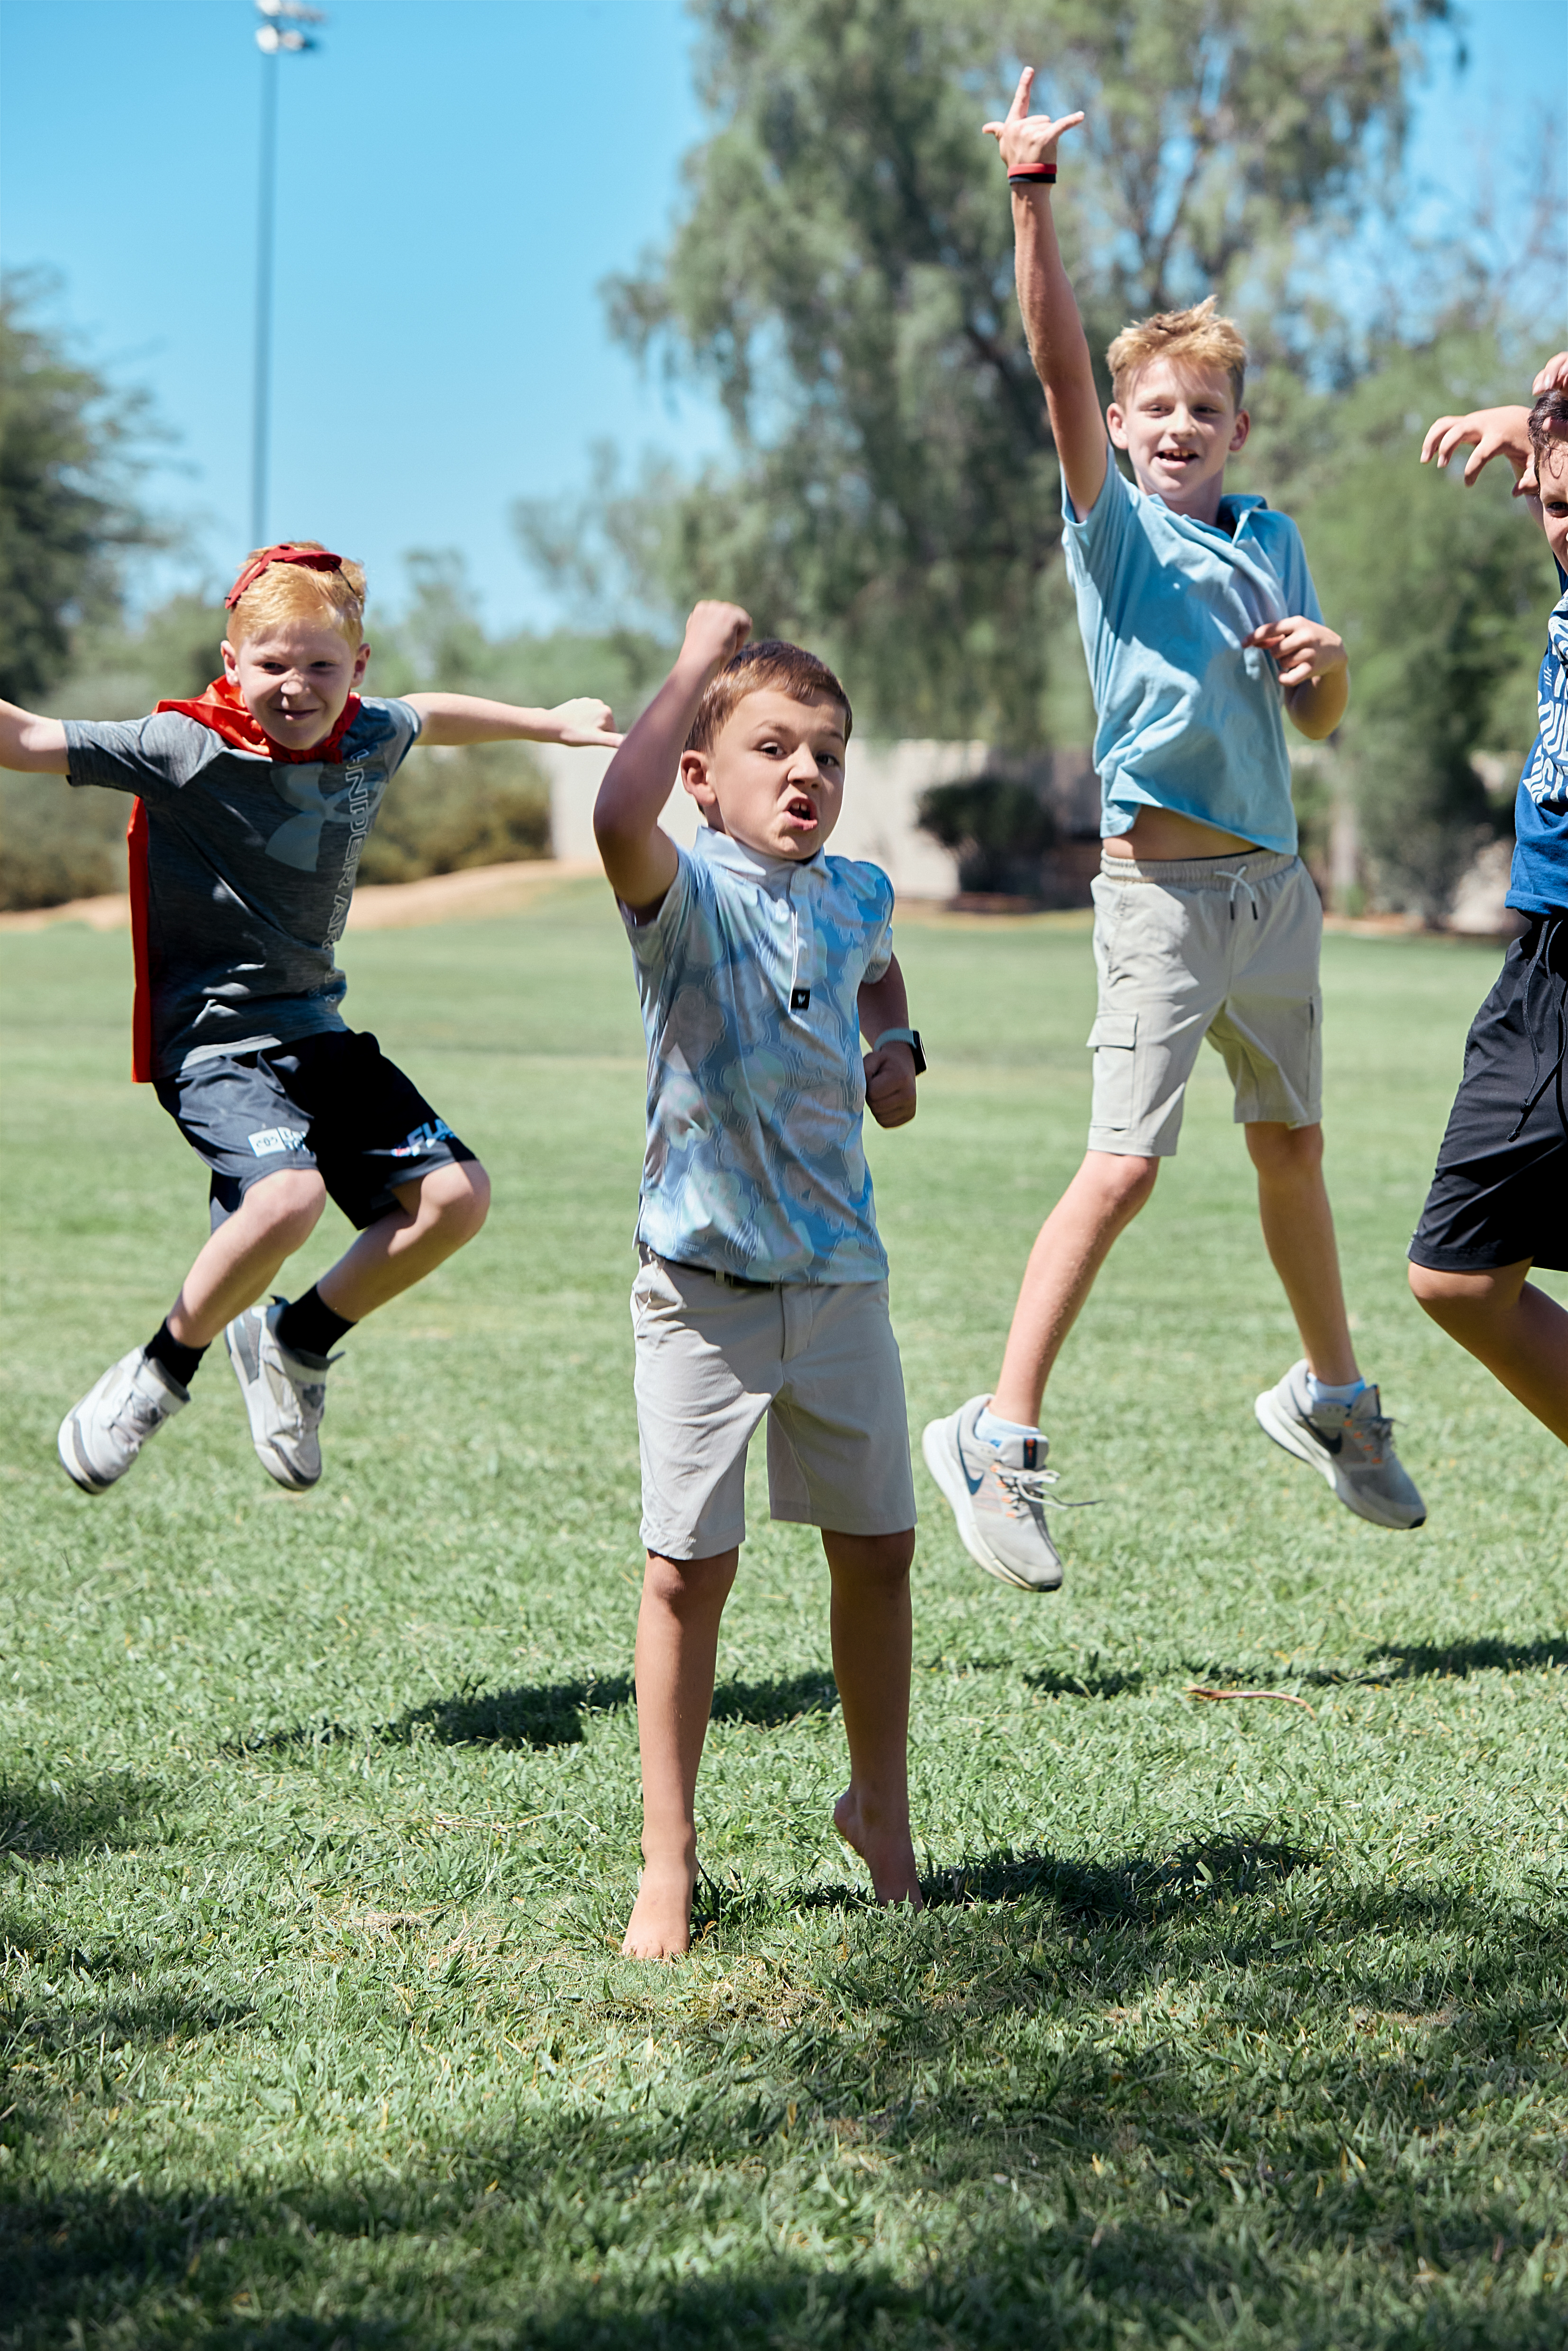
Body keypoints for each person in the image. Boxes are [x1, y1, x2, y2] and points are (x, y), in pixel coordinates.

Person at [922, 67, 1425, 1597]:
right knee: (1125, 1166)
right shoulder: (1113, 526)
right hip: (1158, 895)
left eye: (1208, 408)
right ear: (1124, 435)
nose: (1182, 427)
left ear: (1239, 424)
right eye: (1158, 410)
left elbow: (1320, 730)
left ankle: (1330, 1399)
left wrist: (1323, 669)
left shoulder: (1268, 535)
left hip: (1275, 892)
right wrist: (1032, 200)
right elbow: (1057, 365)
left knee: (1295, 1149)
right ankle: (997, 1438)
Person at [0, 540, 620, 1496]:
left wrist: (548, 723)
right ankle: (159, 1372)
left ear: (357, 670)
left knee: (456, 1199)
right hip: (213, 1043)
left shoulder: (368, 734)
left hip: (314, 1031)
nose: (297, 686)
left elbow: (433, 716)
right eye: (272, 665)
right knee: (286, 1200)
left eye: (321, 666)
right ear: (231, 660)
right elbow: (31, 740)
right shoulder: (183, 750)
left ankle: (297, 1340)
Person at [592, 599, 924, 1959]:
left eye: (829, 754)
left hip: (839, 1277)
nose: (805, 775)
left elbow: (880, 971)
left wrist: (899, 1046)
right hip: (702, 1293)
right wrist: (686, 667)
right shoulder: (681, 893)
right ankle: (668, 1857)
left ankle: (881, 1815)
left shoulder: (858, 890)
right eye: (773, 748)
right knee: (688, 1570)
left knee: (881, 1553)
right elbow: (611, 819)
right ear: (702, 777)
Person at [1406, 355, 1568, 1444]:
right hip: (1537, 968)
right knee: (1458, 1277)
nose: (1565, 530)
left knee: (1457, 1274)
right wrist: (1535, 426)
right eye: (1558, 507)